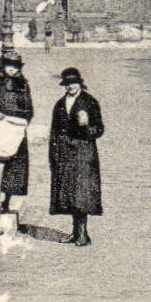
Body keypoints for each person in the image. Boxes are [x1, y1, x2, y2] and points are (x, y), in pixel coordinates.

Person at [49, 66, 104, 247]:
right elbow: (54, 131)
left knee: (81, 194)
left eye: (73, 83)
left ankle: (82, 234)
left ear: (80, 83)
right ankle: (75, 233)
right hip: (64, 152)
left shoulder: (90, 102)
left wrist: (86, 126)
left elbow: (99, 129)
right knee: (69, 194)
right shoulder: (59, 104)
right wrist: (53, 154)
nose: (70, 87)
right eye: (67, 84)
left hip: (83, 153)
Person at [0, 51, 34, 214]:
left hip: (16, 128)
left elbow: (29, 109)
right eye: (9, 66)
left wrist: (22, 122)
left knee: (15, 167)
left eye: (15, 66)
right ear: (4, 66)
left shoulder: (23, 85)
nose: (12, 69)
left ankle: (7, 201)